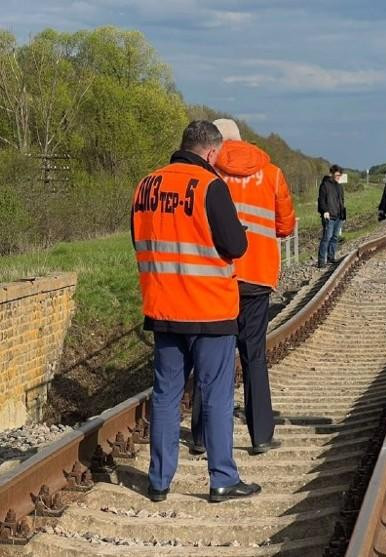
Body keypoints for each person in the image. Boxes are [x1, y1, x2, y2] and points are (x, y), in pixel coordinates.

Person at [131, 120, 261, 503]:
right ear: (210, 152)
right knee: (217, 395)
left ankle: (158, 481)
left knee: (166, 395)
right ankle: (222, 479)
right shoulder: (210, 186)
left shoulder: (146, 185)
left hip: (164, 310)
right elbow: (235, 246)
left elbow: (139, 238)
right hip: (209, 310)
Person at [188, 118, 295, 455]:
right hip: (258, 277)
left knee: (210, 356)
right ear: (242, 139)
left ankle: (201, 438)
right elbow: (286, 224)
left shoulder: (207, 170)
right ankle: (261, 434)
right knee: (255, 356)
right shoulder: (272, 172)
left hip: (218, 276)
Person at [317, 165, 346, 267]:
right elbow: (321, 200)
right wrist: (324, 211)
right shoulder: (325, 185)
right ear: (332, 174)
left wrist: (343, 215)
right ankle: (321, 261)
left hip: (338, 216)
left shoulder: (339, 186)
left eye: (340, 175)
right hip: (329, 216)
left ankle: (331, 257)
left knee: (334, 237)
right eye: (337, 175)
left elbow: (341, 201)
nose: (338, 177)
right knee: (327, 237)